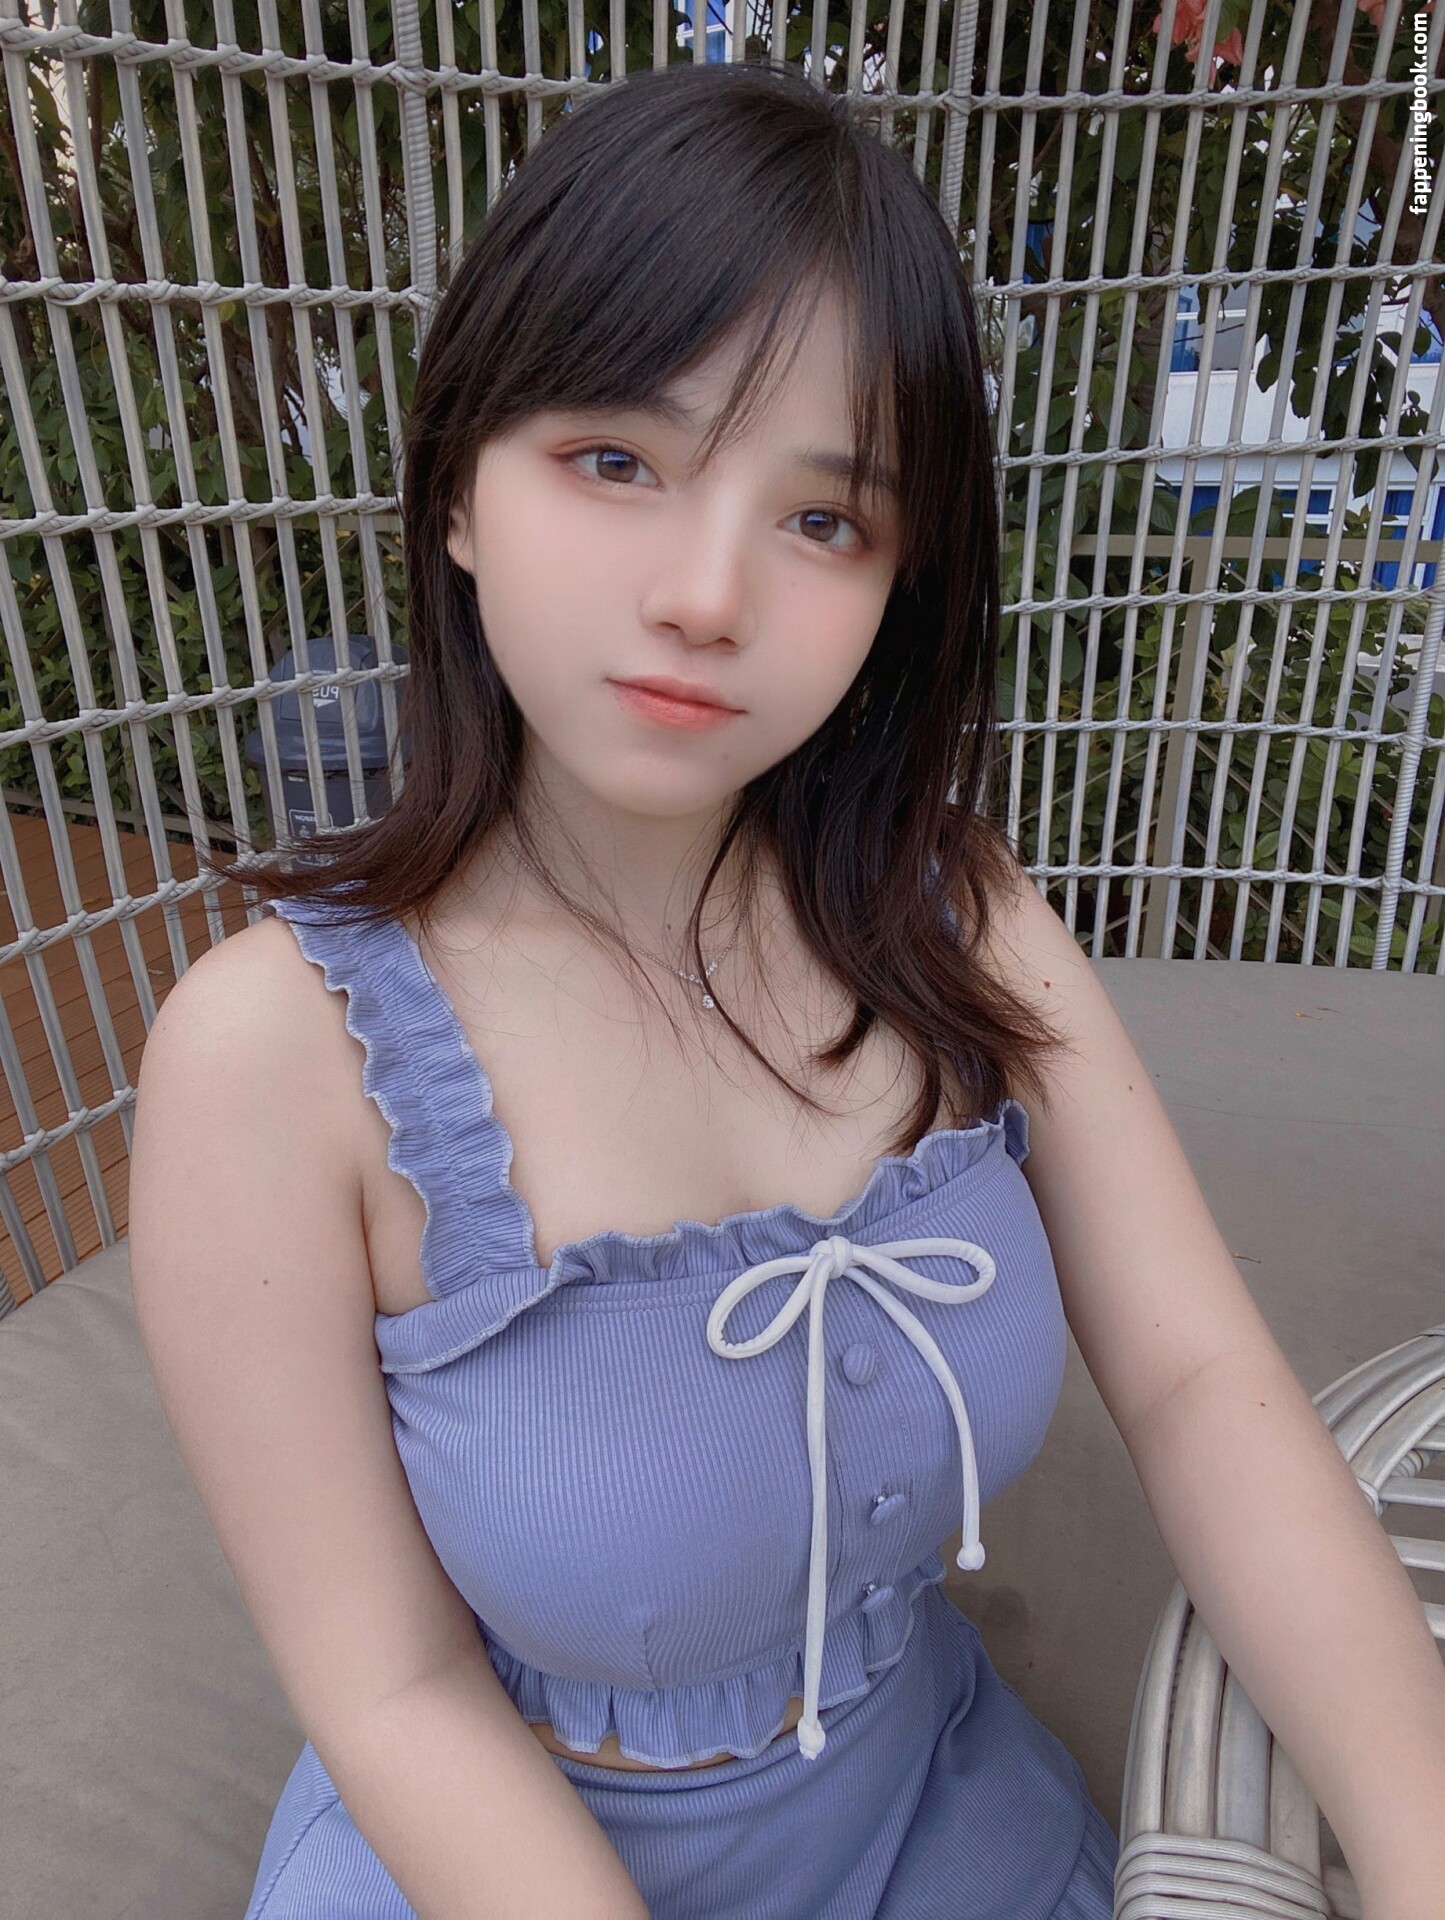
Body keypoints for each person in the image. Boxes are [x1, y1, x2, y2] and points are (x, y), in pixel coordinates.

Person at [126, 58, 1445, 1920]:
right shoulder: (277, 1056)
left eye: (823, 519)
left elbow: (1199, 1383)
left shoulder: (955, 916)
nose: (705, 594)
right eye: (615, 461)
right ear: (459, 492)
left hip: (940, 1834)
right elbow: (391, 1688)